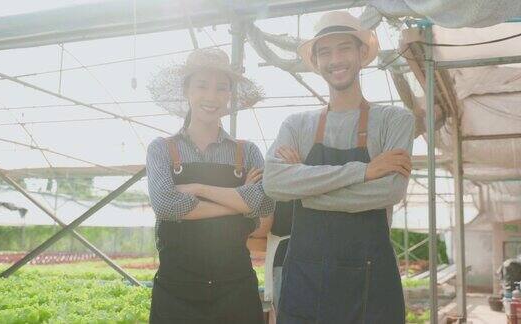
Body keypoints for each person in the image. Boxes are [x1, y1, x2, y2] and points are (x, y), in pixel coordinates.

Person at [263, 11, 415, 324]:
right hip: (305, 280)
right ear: (316, 62)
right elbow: (274, 183)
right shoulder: (297, 124)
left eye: (344, 48)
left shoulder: (395, 121)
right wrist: (363, 172)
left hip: (370, 281)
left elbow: (389, 190)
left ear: (362, 53)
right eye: (325, 52)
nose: (335, 60)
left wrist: (304, 191)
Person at [146, 47, 275, 324]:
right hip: (177, 291)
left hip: (235, 289)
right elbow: (166, 206)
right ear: (187, 91)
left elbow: (264, 204)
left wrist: (198, 189)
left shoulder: (247, 151)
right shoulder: (162, 149)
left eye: (221, 88)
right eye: (202, 86)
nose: (211, 97)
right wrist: (238, 203)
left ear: (230, 95)